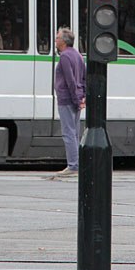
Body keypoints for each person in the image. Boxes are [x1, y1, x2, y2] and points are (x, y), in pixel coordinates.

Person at [54, 27, 85, 176]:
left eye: (57, 38)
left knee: (68, 133)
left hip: (67, 99)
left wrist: (75, 99)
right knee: (75, 133)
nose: (55, 40)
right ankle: (76, 163)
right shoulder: (78, 56)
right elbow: (83, 78)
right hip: (76, 98)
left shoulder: (65, 57)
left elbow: (70, 80)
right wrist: (81, 97)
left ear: (64, 42)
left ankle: (73, 166)